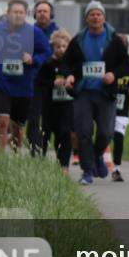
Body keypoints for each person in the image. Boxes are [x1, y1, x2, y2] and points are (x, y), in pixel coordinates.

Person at [58, 1, 129, 185]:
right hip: (83, 92)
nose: (95, 17)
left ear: (104, 17)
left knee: (106, 133)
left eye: (98, 14)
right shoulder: (78, 40)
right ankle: (87, 172)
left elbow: (127, 66)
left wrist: (113, 74)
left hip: (105, 94)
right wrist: (68, 76)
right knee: (84, 132)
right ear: (86, 18)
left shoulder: (114, 40)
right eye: (91, 14)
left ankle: (96, 156)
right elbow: (65, 63)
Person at [0, 0, 51, 152]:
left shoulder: (34, 32)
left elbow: (46, 51)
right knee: (2, 121)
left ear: (26, 15)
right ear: (8, 13)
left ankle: (15, 155)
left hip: (24, 86)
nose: (18, 15)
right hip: (1, 83)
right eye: (15, 12)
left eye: (21, 12)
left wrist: (33, 60)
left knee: (18, 127)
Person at [37, 29, 75, 171]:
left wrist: (72, 81)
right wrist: (52, 83)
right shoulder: (48, 64)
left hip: (67, 105)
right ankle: (41, 160)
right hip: (49, 106)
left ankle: (63, 166)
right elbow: (39, 81)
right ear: (53, 47)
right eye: (58, 47)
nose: (61, 50)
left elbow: (78, 80)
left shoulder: (72, 65)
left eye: (64, 46)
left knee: (65, 133)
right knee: (45, 133)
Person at [28, 0, 59, 155]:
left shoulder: (58, 33)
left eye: (45, 11)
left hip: (53, 81)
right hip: (34, 80)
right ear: (35, 14)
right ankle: (35, 150)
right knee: (33, 118)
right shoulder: (28, 32)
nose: (42, 14)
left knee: (49, 119)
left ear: (51, 14)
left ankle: (44, 150)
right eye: (39, 11)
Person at [110, 35, 129, 182]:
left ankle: (117, 168)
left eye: (124, 45)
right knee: (105, 135)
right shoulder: (108, 65)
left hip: (122, 107)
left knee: (119, 136)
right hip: (106, 106)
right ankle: (98, 159)